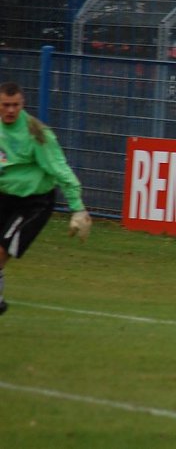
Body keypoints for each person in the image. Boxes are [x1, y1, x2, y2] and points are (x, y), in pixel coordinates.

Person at [0, 82, 92, 316]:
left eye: (15, 105)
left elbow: (59, 168)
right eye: (5, 105)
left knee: (1, 250)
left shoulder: (36, 132)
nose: (10, 110)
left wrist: (78, 208)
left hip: (33, 202)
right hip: (4, 197)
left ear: (22, 105)